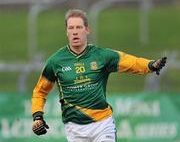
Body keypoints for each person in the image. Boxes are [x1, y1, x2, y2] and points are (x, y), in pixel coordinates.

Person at [31, 9, 167, 142]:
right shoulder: (55, 61)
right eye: (71, 28)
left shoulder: (102, 56)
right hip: (74, 129)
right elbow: (40, 91)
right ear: (67, 31)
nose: (75, 31)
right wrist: (38, 117)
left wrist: (150, 65)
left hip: (103, 125)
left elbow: (130, 62)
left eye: (79, 27)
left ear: (87, 30)